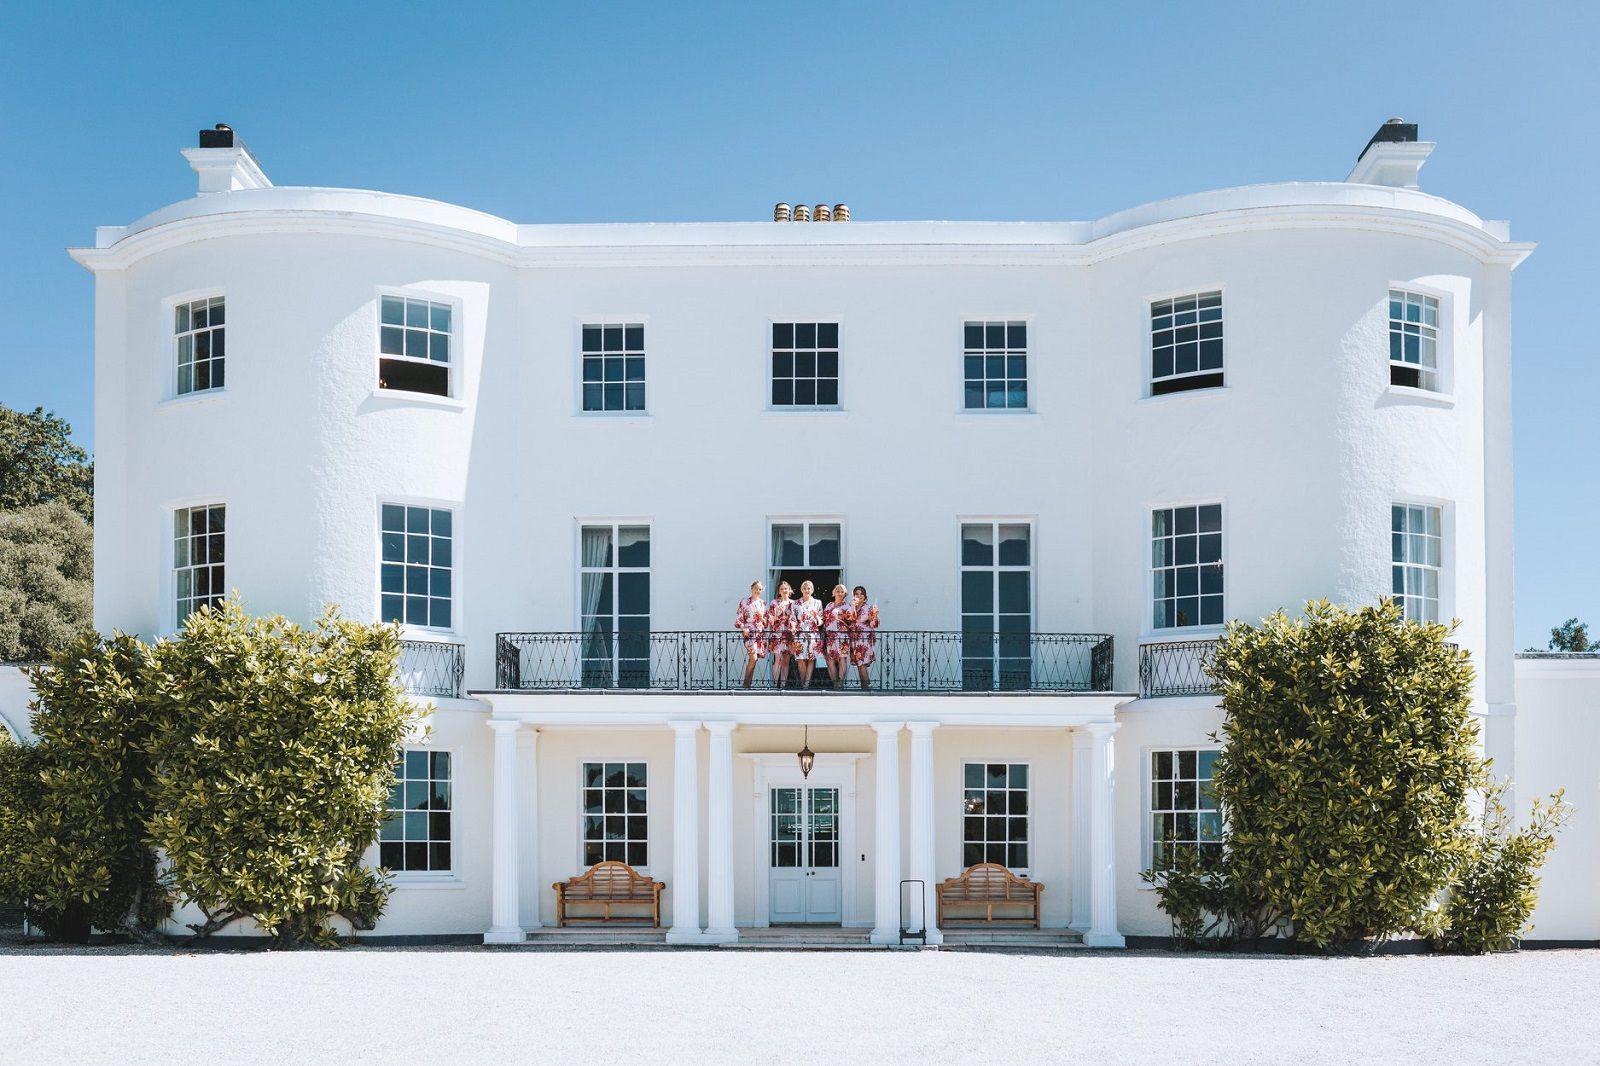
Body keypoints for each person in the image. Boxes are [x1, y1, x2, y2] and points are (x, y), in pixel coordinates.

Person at [734, 580, 768, 689]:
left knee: (754, 659)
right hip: (748, 632)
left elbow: (766, 622)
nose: (758, 591)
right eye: (756, 588)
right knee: (753, 657)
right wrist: (743, 627)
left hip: (759, 633)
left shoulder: (763, 603)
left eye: (760, 589)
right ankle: (745, 683)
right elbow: (739, 618)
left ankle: (748, 684)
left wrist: (761, 617)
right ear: (751, 588)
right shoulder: (744, 602)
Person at [848, 585, 880, 689]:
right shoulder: (851, 607)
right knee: (858, 663)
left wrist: (875, 615)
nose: (859, 595)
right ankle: (864, 687)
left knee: (862, 662)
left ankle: (867, 686)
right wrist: (853, 607)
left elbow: (874, 624)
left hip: (864, 638)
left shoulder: (869, 608)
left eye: (861, 593)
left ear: (865, 596)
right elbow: (849, 620)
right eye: (856, 594)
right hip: (854, 638)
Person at [793, 580, 823, 688]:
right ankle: (803, 682)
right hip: (800, 632)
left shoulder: (817, 602)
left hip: (813, 632)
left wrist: (816, 616)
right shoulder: (795, 603)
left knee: (811, 658)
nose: (807, 590)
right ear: (801, 590)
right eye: (805, 588)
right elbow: (793, 619)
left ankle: (807, 683)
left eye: (809, 588)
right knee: (801, 659)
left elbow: (821, 620)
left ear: (812, 590)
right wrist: (793, 626)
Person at [768, 580, 797, 688]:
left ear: (789, 590)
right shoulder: (774, 603)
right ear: (779, 591)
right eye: (781, 589)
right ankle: (775, 684)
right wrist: (777, 614)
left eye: (786, 588)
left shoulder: (793, 603)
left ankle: (783, 685)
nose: (784, 590)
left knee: (786, 660)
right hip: (777, 633)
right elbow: (769, 619)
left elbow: (796, 618)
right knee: (778, 659)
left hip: (788, 634)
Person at [822, 584, 851, 688]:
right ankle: (835, 683)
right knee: (830, 659)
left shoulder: (847, 607)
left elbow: (851, 621)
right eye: (838, 591)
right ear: (834, 592)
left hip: (842, 636)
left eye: (842, 592)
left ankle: (841, 682)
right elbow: (823, 619)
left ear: (845, 594)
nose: (839, 593)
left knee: (842, 658)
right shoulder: (829, 605)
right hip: (830, 636)